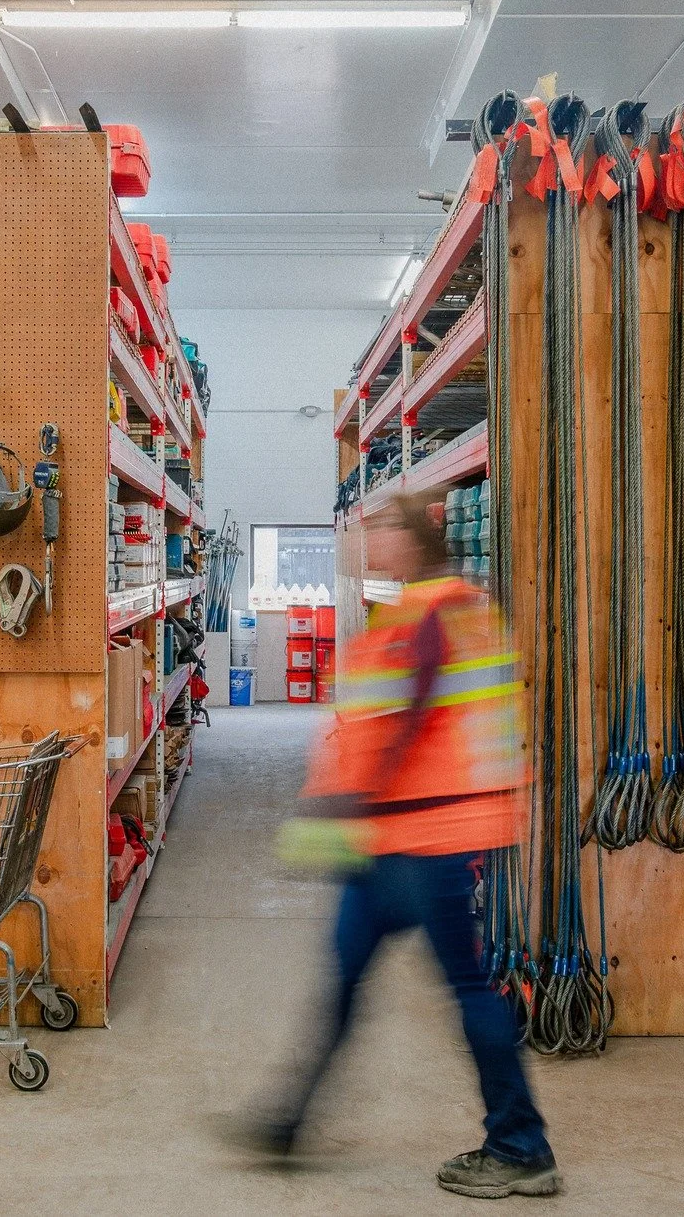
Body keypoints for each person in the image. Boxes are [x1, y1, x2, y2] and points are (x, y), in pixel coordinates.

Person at [240, 492, 558, 1199]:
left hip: (424, 835)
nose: (366, 536)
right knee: (347, 972)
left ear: (411, 539)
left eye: (380, 525)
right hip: (396, 835)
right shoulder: (442, 606)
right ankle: (288, 1118)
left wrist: (350, 796)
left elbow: (411, 713)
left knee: (463, 986)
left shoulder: (435, 613)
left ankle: (521, 1144)